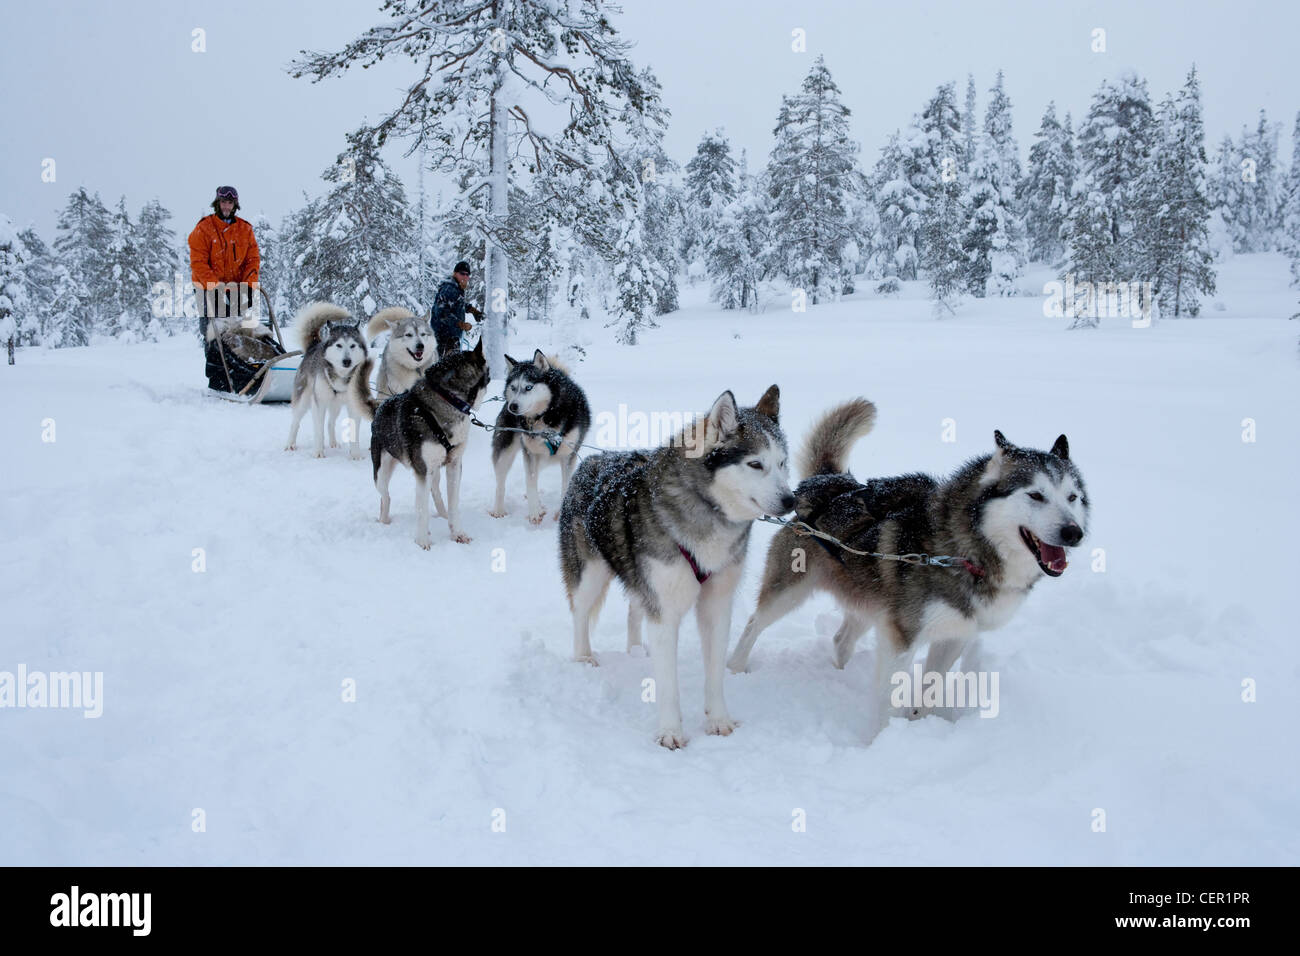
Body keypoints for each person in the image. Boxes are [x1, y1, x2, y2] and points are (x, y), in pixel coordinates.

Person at [188, 186, 267, 390]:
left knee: (239, 330)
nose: (226, 206)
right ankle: (218, 377)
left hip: (235, 289)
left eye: (230, 203)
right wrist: (215, 286)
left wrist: (249, 286)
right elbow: (198, 262)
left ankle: (245, 370)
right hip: (207, 288)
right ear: (217, 203)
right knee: (212, 331)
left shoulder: (244, 229)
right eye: (223, 202)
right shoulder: (204, 228)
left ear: (235, 205)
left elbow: (252, 260)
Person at [429, 261, 484, 356]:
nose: (465, 277)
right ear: (455, 273)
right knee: (446, 366)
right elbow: (441, 312)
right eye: (462, 273)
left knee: (453, 364)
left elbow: (457, 304)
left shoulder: (456, 288)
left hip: (451, 336)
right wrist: (460, 324)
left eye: (467, 275)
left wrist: (473, 311)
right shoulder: (449, 289)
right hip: (443, 337)